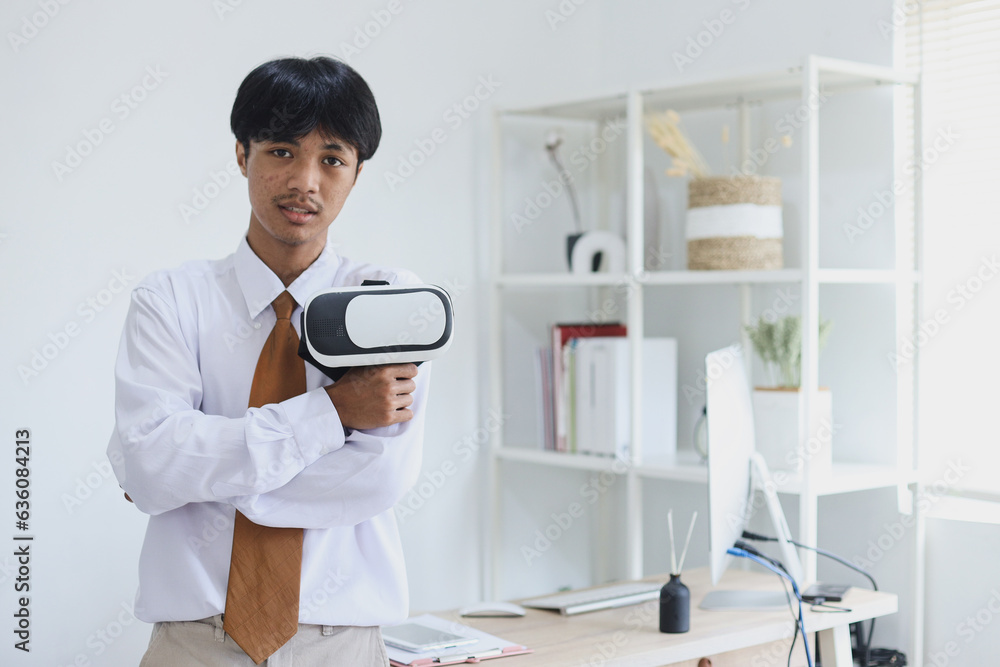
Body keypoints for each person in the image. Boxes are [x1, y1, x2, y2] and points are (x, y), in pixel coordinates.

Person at [108, 56, 428, 666]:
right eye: (282, 150)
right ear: (241, 155)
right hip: (193, 643)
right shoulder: (171, 299)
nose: (306, 180)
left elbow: (376, 480)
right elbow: (152, 467)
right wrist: (333, 412)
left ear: (356, 173)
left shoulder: (390, 302)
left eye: (332, 158)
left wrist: (196, 475)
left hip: (342, 645)